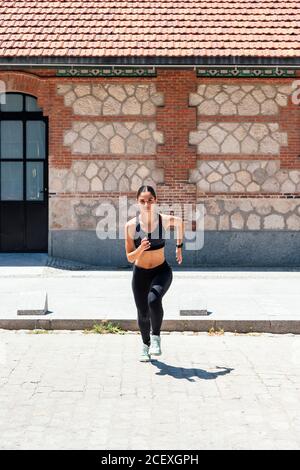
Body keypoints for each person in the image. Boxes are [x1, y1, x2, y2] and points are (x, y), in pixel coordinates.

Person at [124, 185, 184, 362]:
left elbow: (180, 222)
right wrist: (140, 249)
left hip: (161, 270)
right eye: (142, 201)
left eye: (150, 200)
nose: (147, 204)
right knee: (143, 313)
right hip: (140, 274)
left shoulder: (163, 220)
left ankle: (156, 338)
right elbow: (129, 257)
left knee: (154, 299)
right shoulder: (130, 226)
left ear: (155, 200)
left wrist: (179, 247)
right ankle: (145, 344)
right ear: (138, 203)